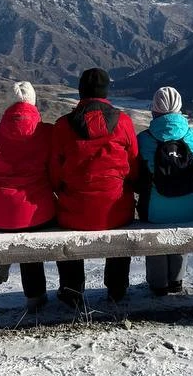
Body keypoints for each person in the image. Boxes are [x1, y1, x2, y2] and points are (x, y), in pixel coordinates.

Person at [49, 67, 139, 307]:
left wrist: (63, 190)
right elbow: (133, 163)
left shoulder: (62, 125)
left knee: (65, 226)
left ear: (80, 92)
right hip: (115, 210)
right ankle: (117, 289)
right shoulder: (124, 122)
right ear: (106, 92)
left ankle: (72, 291)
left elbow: (54, 171)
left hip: (74, 212)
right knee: (120, 223)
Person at [0, 80, 55, 311]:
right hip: (37, 212)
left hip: (0, 216)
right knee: (37, 222)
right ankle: (38, 296)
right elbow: (55, 171)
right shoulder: (46, 132)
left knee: (17, 221)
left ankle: (6, 257)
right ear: (33, 102)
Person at [136, 86, 193, 296]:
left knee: (159, 218)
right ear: (179, 108)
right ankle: (176, 280)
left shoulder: (144, 139)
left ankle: (158, 284)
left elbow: (136, 181)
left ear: (154, 110)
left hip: (153, 212)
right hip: (192, 210)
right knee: (180, 214)